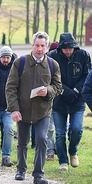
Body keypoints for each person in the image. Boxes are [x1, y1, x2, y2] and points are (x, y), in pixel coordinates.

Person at [5, 32, 62, 184]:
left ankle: (38, 175)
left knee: (42, 139)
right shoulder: (20, 62)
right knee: (23, 141)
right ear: (32, 45)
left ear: (47, 47)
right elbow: (10, 87)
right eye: (37, 45)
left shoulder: (52, 65)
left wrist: (48, 91)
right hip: (22, 109)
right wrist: (14, 109)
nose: (39, 49)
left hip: (43, 111)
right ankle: (21, 170)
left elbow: (58, 87)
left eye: (43, 46)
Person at [48, 32, 91, 171]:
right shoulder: (52, 57)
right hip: (59, 100)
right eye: (65, 48)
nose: (68, 51)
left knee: (77, 129)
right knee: (60, 133)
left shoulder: (83, 56)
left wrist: (77, 90)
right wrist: (65, 90)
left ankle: (73, 151)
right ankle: (63, 161)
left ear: (74, 47)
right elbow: (51, 78)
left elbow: (87, 75)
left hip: (78, 100)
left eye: (70, 48)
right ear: (60, 48)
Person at [46, 41, 59, 161]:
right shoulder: (46, 63)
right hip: (48, 99)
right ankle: (50, 150)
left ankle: (58, 148)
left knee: (60, 128)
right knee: (49, 127)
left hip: (60, 100)